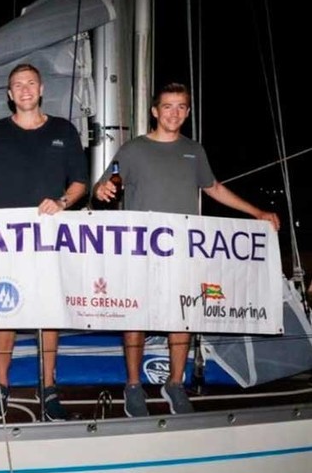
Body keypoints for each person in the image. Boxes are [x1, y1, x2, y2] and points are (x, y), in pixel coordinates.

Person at [93, 82, 280, 417]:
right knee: (135, 317)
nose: (174, 113)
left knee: (183, 316)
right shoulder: (133, 150)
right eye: (167, 106)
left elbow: (214, 188)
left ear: (188, 112)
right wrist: (104, 188)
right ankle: (133, 385)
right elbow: (104, 186)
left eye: (181, 107)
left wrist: (258, 213)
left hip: (184, 252)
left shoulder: (195, 150)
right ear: (155, 111)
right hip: (142, 252)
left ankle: (175, 383)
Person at [0, 63, 89, 421]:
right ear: (9, 94)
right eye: (17, 85)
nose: (24, 89)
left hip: (49, 238)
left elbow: (81, 183)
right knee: (5, 311)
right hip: (4, 239)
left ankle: (47, 386)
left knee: (50, 313)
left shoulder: (64, 130)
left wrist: (62, 202)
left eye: (30, 83)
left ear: (42, 88)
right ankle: (1, 386)